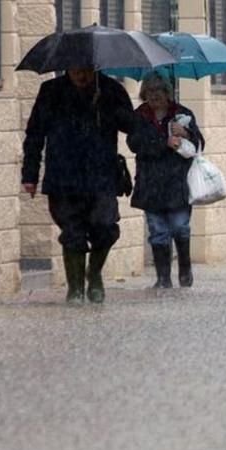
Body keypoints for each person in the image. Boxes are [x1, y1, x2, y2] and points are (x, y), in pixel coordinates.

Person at [22, 68, 144, 304]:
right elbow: (35, 133)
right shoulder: (51, 91)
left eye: (85, 69)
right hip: (63, 176)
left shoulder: (111, 89)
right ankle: (75, 288)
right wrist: (30, 174)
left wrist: (107, 107)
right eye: (75, 69)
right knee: (72, 233)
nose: (81, 75)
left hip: (101, 176)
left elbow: (131, 126)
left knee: (106, 227)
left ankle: (94, 273)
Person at [126, 73, 205, 289]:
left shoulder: (182, 114)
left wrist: (187, 133)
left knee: (180, 227)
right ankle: (163, 278)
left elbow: (199, 145)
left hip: (177, 182)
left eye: (159, 93)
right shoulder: (139, 116)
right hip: (150, 182)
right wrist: (163, 142)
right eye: (150, 93)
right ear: (144, 94)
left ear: (167, 94)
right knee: (157, 230)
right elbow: (135, 143)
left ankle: (185, 269)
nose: (154, 97)